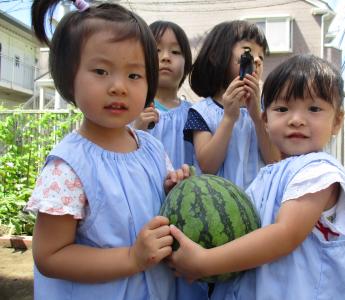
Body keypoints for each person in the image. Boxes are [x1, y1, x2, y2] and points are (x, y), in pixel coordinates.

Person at [26, 1, 192, 299]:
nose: (119, 87)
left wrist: (173, 189)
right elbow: (49, 256)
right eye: (101, 71)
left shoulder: (153, 149)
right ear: (68, 77)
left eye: (134, 75)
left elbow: (154, 206)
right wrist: (131, 258)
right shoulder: (69, 166)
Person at [168, 54, 345, 300]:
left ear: (337, 121)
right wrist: (184, 190)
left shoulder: (319, 171)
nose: (296, 120)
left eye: (314, 108)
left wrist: (205, 262)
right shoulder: (267, 176)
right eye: (282, 109)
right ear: (265, 119)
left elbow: (285, 235)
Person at [183, 20, 280, 190]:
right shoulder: (202, 111)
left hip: (259, 204)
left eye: (261, 57)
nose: (257, 60)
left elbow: (275, 160)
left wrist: (258, 118)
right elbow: (207, 166)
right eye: (248, 51)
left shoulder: (267, 110)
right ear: (215, 55)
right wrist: (228, 118)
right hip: (219, 205)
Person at [134, 20, 194, 170]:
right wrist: (138, 131)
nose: (166, 57)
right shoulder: (133, 111)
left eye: (175, 52)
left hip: (187, 191)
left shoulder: (195, 115)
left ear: (186, 66)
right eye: (156, 50)